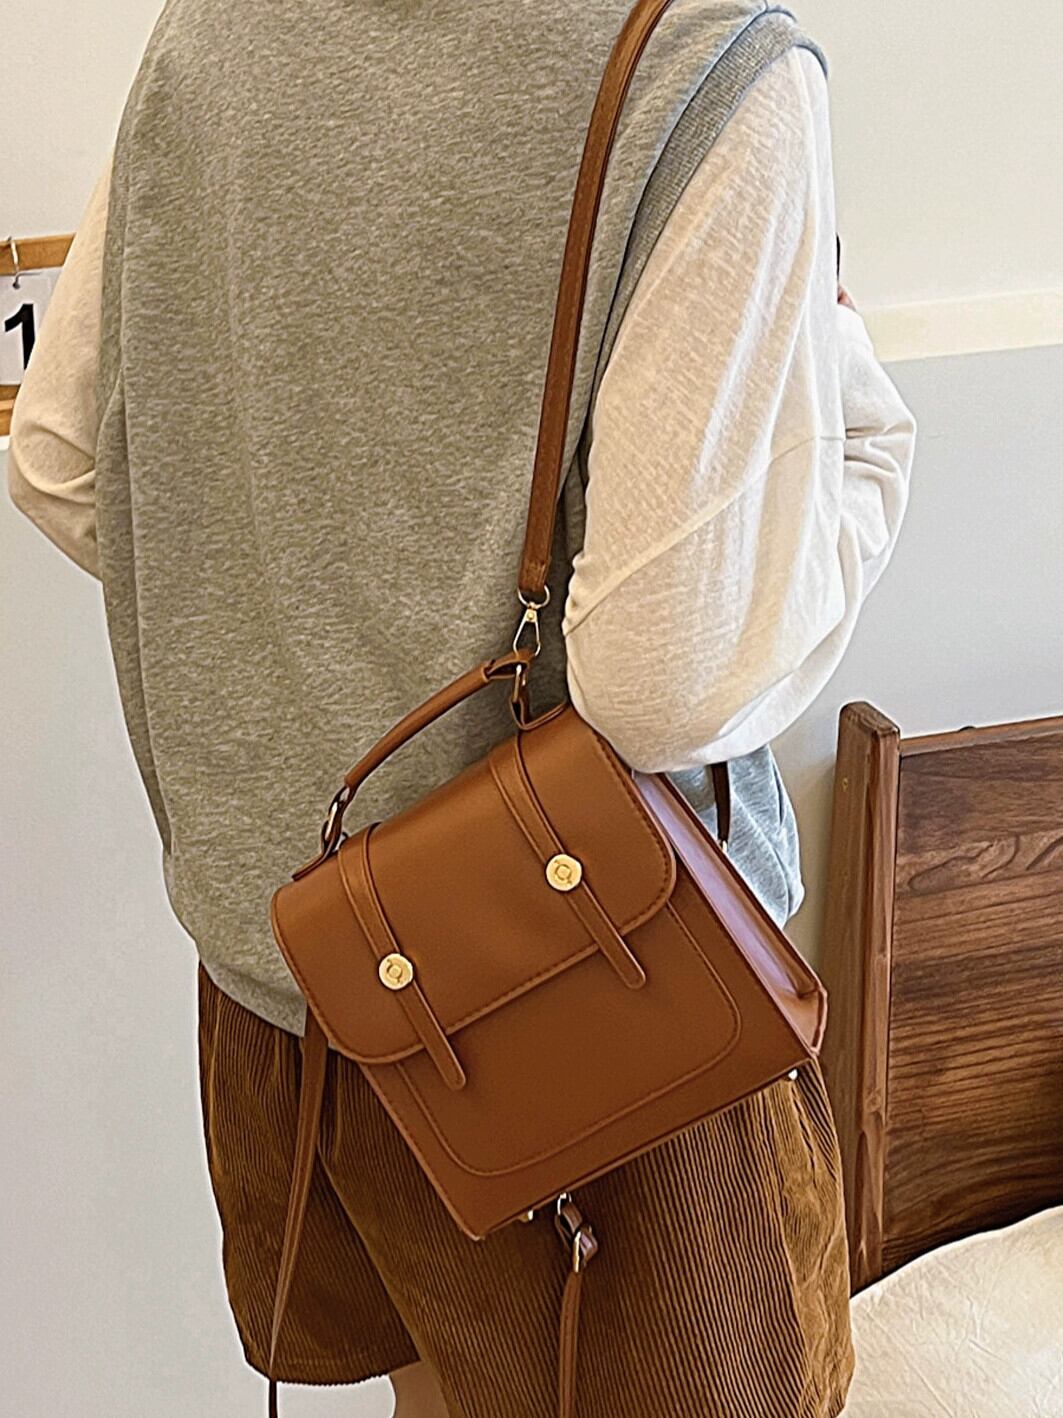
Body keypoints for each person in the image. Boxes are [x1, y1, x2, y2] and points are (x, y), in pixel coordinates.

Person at [8, 2, 916, 1415]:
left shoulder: (219, 26)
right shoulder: (706, 64)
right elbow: (667, 681)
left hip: (291, 981)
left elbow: (64, 461)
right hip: (585, 998)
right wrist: (865, 455)